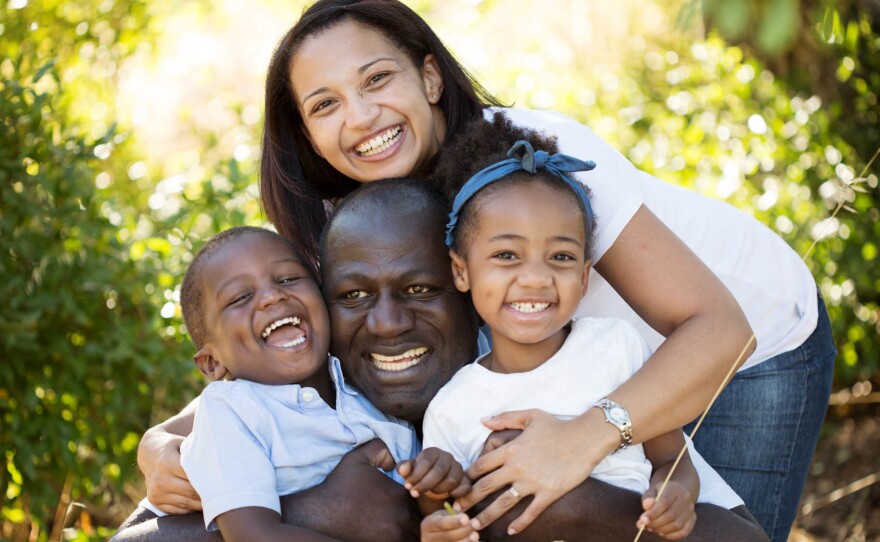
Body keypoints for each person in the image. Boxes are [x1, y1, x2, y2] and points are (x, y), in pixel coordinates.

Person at [142, 1, 835, 539]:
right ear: (305, 132)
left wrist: (584, 437)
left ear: (431, 76)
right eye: (325, 105)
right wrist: (168, 440)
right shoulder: (357, 219)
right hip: (586, 370)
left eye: (377, 78)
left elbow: (720, 330)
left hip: (745, 349)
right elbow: (302, 355)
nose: (360, 117)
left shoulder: (540, 158)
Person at [116, 180, 769, 541]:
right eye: (353, 296)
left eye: (421, 289)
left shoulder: (564, 355)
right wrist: (162, 441)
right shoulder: (330, 377)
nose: (390, 322)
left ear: (465, 285)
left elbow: (686, 485)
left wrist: (579, 493)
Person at [418, 121, 764, 541]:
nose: (535, 278)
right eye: (507, 255)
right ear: (461, 270)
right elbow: (458, 515)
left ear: (584, 279)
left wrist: (675, 493)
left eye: (560, 257)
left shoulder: (615, 348)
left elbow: (672, 460)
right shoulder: (452, 408)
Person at [147, 225, 431, 541]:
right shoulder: (230, 412)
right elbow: (253, 535)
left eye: (288, 279)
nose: (273, 296)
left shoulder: (365, 381)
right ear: (212, 363)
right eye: (241, 297)